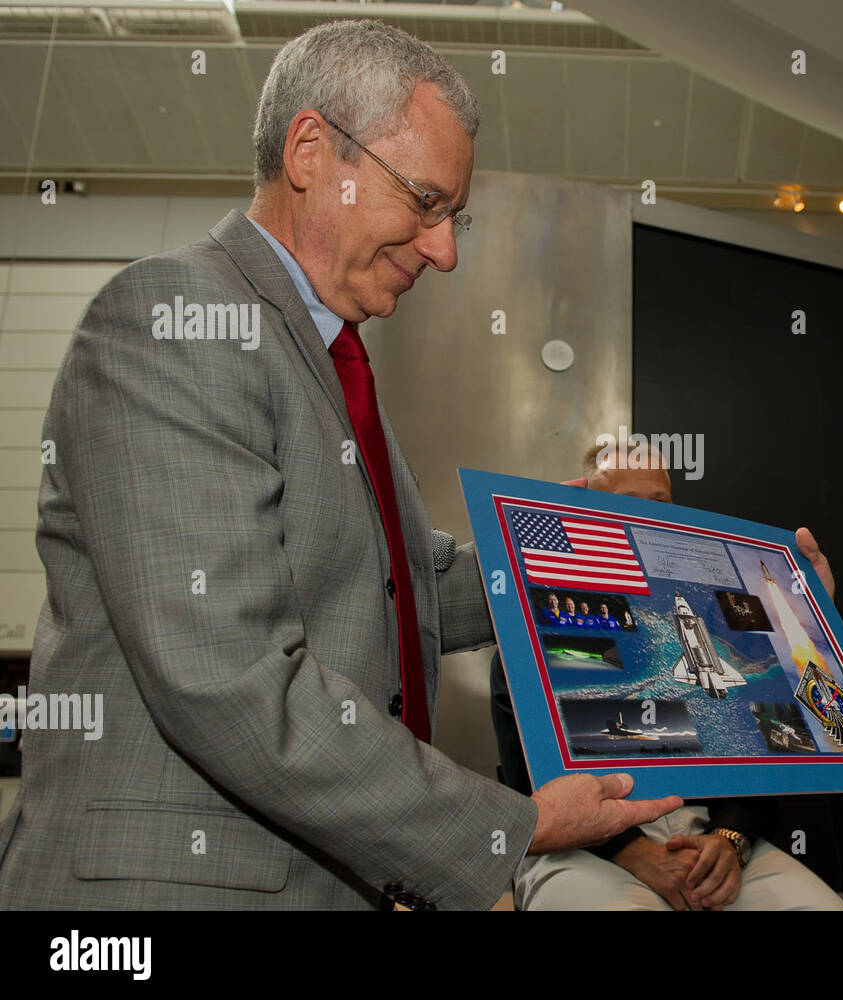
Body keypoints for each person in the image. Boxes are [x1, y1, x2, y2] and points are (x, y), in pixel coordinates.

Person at [0, 20, 677, 910]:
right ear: (312, 150)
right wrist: (509, 825)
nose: (446, 250)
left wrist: (638, 552)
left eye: (454, 216)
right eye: (426, 202)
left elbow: (417, 588)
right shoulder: (176, 318)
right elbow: (229, 679)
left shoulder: (331, 362)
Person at [490, 444, 843, 910]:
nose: (641, 516)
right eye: (622, 500)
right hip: (583, 845)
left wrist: (729, 838)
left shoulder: (721, 605)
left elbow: (770, 732)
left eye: (658, 502)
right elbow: (528, 766)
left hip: (708, 835)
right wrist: (635, 853)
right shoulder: (547, 610)